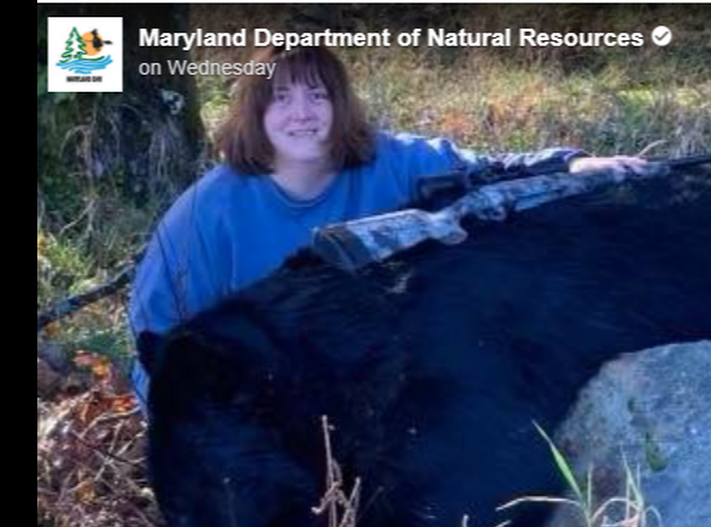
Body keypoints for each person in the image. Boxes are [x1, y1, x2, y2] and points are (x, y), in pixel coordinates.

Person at [129, 46, 649, 404]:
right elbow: (156, 341)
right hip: (256, 396)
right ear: (254, 113)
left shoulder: (396, 162)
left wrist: (572, 164)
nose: (302, 113)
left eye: (318, 95)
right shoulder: (204, 216)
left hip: (372, 377)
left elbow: (493, 169)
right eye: (281, 98)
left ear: (340, 105)